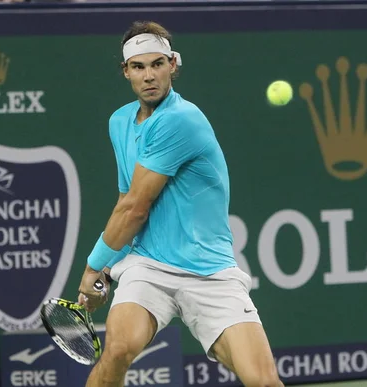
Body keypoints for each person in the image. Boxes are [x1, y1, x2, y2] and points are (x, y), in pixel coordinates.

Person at [77, 20, 283, 387]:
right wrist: (109, 269)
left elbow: (136, 207)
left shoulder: (181, 119)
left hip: (210, 273)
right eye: (138, 67)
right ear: (126, 72)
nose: (149, 75)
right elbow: (126, 198)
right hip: (149, 267)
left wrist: (94, 265)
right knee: (119, 349)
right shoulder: (120, 122)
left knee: (263, 381)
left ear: (173, 64)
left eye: (157, 64)